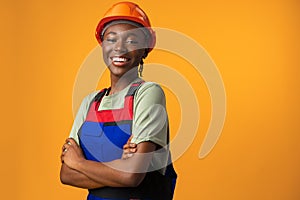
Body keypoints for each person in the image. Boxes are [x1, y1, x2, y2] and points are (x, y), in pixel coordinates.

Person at [60, 2, 177, 199]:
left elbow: (132, 176)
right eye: (111, 39)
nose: (119, 48)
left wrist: (80, 163)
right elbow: (66, 174)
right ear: (103, 45)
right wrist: (119, 167)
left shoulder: (148, 93)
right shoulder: (90, 103)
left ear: (144, 49)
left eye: (132, 41)